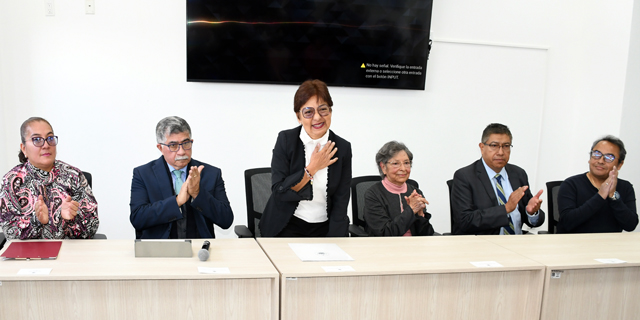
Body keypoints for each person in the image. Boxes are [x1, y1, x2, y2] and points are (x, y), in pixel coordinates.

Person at [259, 79, 352, 237]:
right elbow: (280, 192)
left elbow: (341, 200)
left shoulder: (342, 147)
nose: (317, 117)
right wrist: (312, 168)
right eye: (308, 112)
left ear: (330, 111)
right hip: (287, 224)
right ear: (298, 116)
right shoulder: (286, 140)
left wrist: (335, 240)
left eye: (323, 109)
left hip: (325, 227)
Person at [130, 116, 233, 239]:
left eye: (186, 143)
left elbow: (226, 220)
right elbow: (137, 219)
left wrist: (197, 193)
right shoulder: (143, 174)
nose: (181, 152)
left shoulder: (210, 173)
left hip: (200, 249)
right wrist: (177, 201)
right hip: (160, 250)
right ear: (160, 148)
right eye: (173, 145)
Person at [0, 117, 99, 239]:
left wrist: (71, 219)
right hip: (28, 255)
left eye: (50, 138)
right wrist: (36, 220)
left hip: (69, 253)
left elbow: (92, 227)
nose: (46, 145)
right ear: (24, 148)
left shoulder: (74, 176)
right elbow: (10, 233)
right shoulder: (11, 181)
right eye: (37, 140)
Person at [451, 123, 545, 235]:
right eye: (494, 145)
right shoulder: (465, 176)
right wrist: (505, 209)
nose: (501, 152)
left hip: (518, 243)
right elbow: (465, 220)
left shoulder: (518, 174)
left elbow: (530, 216)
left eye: (506, 146)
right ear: (482, 147)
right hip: (482, 245)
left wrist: (531, 212)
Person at [557, 136, 638, 233]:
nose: (600, 161)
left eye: (609, 157)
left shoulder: (625, 187)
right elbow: (567, 222)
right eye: (596, 154)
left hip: (610, 245)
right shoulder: (571, 184)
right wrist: (600, 196)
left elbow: (630, 225)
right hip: (574, 244)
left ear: (620, 164)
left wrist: (613, 196)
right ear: (590, 158)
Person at [364, 141, 435, 236]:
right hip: (386, 248)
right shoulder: (373, 194)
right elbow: (385, 233)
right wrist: (411, 210)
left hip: (415, 247)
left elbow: (427, 234)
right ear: (383, 167)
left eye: (406, 163)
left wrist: (420, 215)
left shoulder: (415, 192)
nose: (403, 168)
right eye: (396, 163)